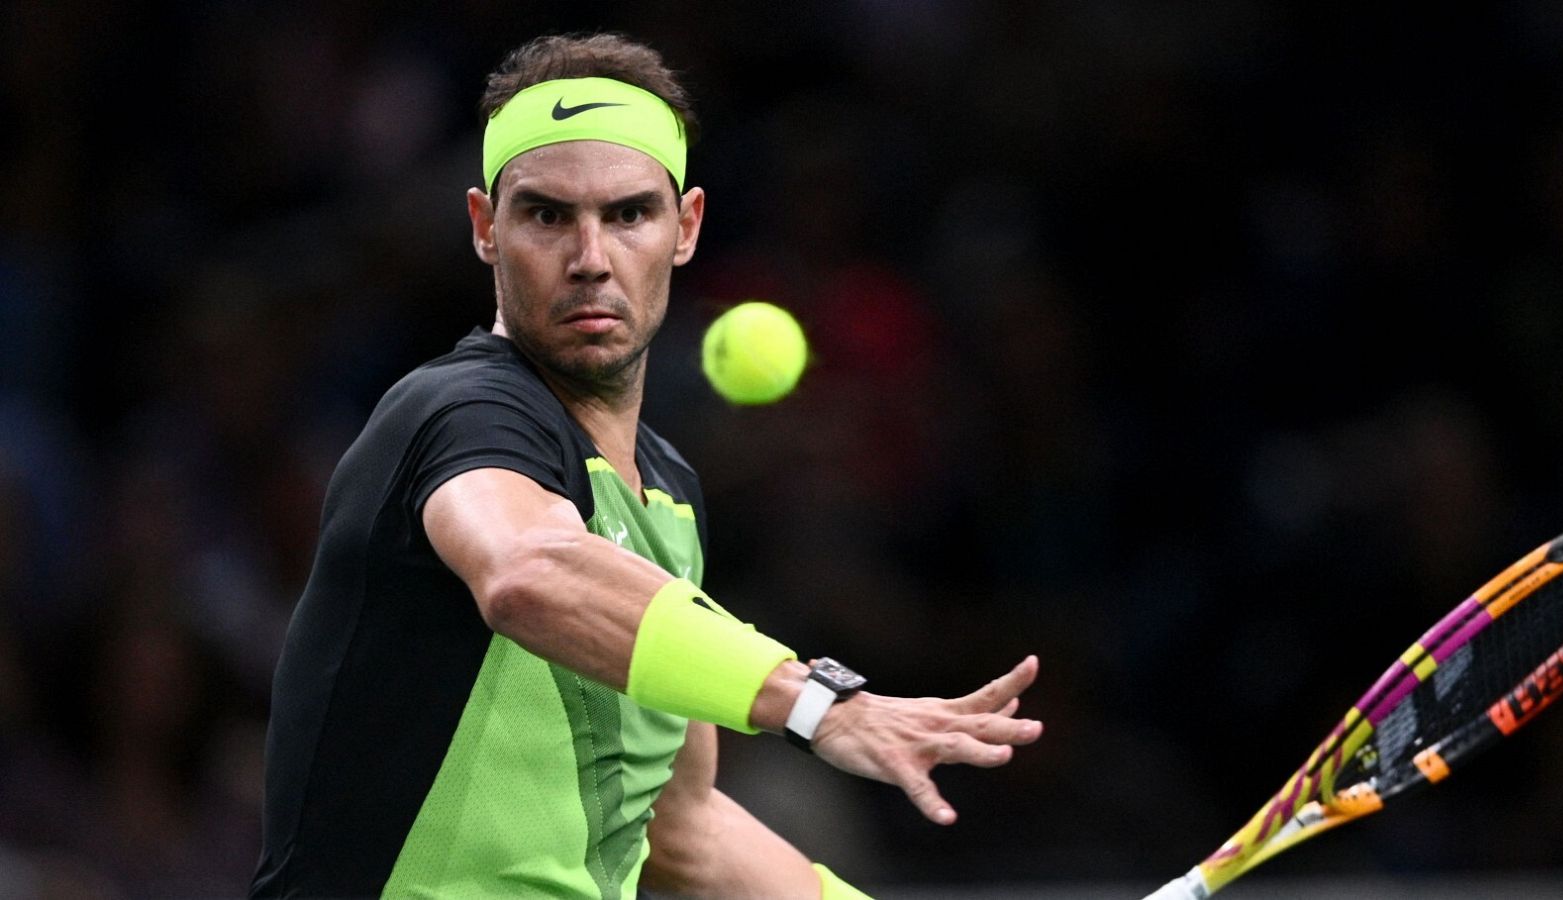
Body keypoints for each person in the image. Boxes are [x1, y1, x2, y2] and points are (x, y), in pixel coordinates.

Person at [251, 32, 1042, 899]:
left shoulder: (669, 498)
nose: (591, 259)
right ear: (486, 227)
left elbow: (683, 829)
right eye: (548, 215)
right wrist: (815, 703)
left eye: (628, 214)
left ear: (686, 227)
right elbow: (527, 570)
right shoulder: (458, 412)